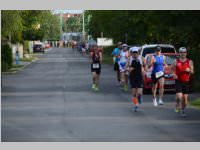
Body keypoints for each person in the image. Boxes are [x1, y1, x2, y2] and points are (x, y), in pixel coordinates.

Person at [171, 47, 194, 117]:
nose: (183, 54)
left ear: (186, 53)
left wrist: (189, 70)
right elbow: (171, 69)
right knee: (179, 96)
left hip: (186, 81)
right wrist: (173, 74)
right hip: (178, 81)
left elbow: (192, 71)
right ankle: (181, 109)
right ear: (179, 53)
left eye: (184, 52)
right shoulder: (176, 61)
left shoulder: (189, 61)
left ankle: (181, 107)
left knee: (185, 100)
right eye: (181, 52)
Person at [128, 47, 146, 112]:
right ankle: (136, 105)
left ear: (138, 53)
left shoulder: (142, 58)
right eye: (134, 53)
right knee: (134, 93)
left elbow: (145, 65)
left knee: (139, 93)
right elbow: (126, 67)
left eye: (136, 53)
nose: (135, 54)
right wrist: (129, 69)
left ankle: (140, 97)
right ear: (132, 53)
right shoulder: (129, 59)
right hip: (132, 77)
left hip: (139, 76)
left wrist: (144, 70)